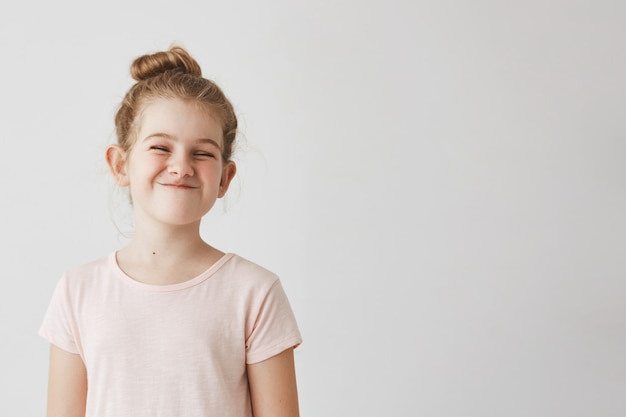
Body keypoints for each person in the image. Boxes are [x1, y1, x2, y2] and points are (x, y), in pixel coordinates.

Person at [39, 45, 302, 417]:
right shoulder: (77, 291)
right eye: (161, 147)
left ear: (225, 178)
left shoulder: (255, 293)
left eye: (203, 153)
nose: (180, 167)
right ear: (120, 164)